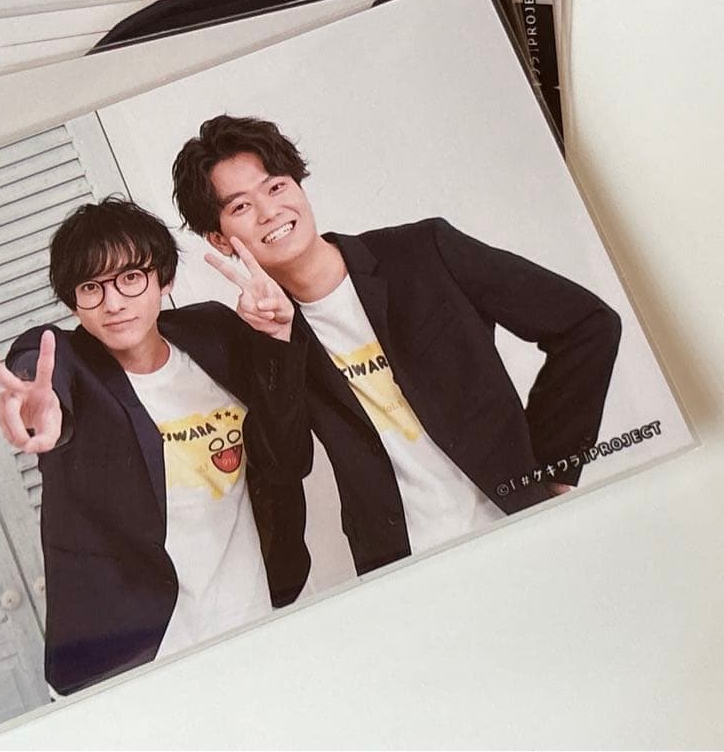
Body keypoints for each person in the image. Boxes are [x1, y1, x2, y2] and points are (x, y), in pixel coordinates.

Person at [172, 115, 622, 574]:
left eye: (276, 187)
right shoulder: (263, 337)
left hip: (522, 525)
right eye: (241, 207)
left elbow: (588, 325)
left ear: (299, 186)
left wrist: (553, 470)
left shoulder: (424, 253)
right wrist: (277, 342)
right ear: (220, 239)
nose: (269, 211)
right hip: (403, 569)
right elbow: (287, 466)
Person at [0, 197, 311, 696]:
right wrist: (36, 408)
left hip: (249, 623)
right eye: (91, 288)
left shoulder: (213, 334)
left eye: (130, 278)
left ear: (164, 280)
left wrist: (279, 336)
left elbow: (289, 460)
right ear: (73, 302)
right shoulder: (70, 364)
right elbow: (39, 365)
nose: (113, 303)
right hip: (132, 661)